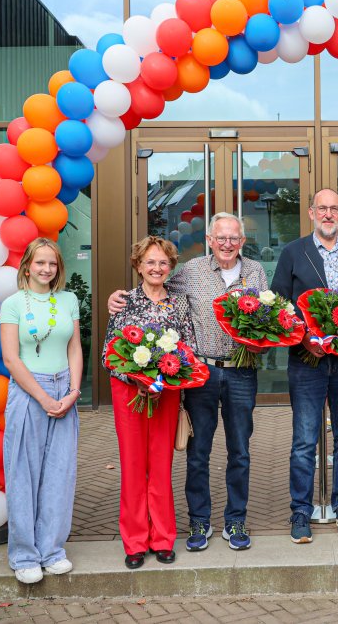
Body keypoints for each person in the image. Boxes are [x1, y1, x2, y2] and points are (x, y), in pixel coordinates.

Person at [109, 214, 269, 552]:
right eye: (221, 237)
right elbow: (157, 284)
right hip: (203, 372)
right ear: (210, 239)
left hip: (242, 371)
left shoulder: (255, 271)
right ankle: (199, 521)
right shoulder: (192, 271)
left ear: (242, 241)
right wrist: (117, 298)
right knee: (199, 452)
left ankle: (235, 519)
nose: (227, 244)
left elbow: (266, 315)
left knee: (240, 450)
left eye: (234, 238)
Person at [270, 188, 338, 543]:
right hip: (306, 361)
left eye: (334, 209)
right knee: (303, 440)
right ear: (311, 212)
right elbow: (281, 308)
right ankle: (300, 511)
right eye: (322, 208)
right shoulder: (292, 253)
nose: (328, 214)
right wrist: (304, 340)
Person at [103, 236, 195, 569]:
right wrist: (139, 381)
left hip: (166, 393)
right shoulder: (123, 302)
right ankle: (135, 541)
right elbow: (108, 355)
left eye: (163, 262)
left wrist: (163, 382)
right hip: (129, 394)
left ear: (171, 267)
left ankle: (163, 537)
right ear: (138, 265)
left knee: (160, 465)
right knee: (132, 465)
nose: (157, 268)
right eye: (150, 262)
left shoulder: (181, 303)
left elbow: (188, 351)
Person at [0, 237, 83, 584]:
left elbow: (76, 348)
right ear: (27, 266)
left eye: (52, 263)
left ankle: (52, 551)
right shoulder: (13, 303)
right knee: (23, 473)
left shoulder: (69, 299)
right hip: (28, 391)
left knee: (59, 475)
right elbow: (10, 358)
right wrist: (44, 398)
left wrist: (74, 392)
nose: (46, 269)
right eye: (40, 263)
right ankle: (24, 555)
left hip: (65, 388)